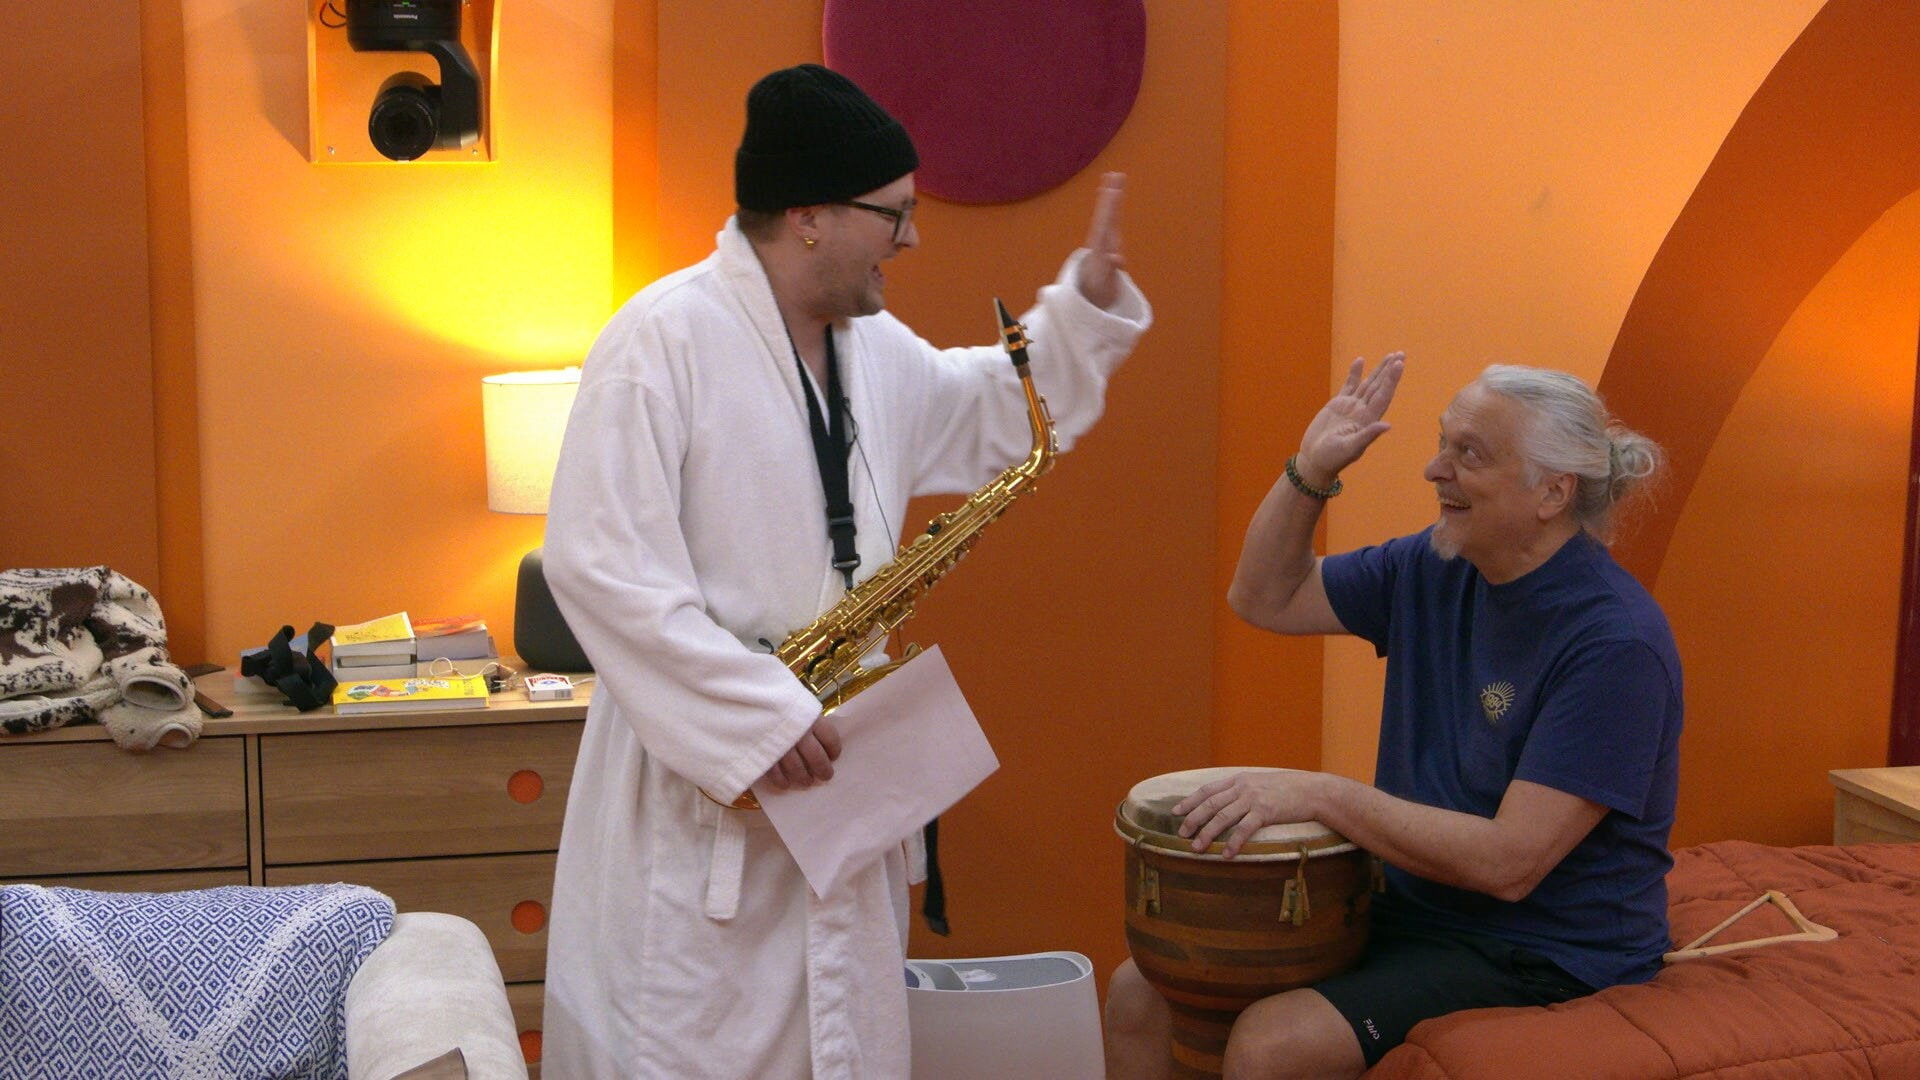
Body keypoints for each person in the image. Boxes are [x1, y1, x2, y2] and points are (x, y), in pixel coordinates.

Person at [540, 64, 1152, 1079]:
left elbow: (992, 412)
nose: (911, 240)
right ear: (810, 215)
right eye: (893, 214)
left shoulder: (874, 349)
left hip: (836, 789)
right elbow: (602, 568)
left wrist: (1080, 311)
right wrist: (757, 716)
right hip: (705, 810)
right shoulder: (658, 342)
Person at [1104, 356, 1682, 1079]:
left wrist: (1322, 795)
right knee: (1139, 993)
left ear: (1552, 491)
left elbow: (1509, 863)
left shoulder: (1615, 642)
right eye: (1443, 443)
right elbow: (1263, 597)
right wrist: (1312, 471)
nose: (1435, 470)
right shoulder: (1434, 567)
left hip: (1545, 950)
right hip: (1409, 911)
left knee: (1272, 1044)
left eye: (1469, 454)